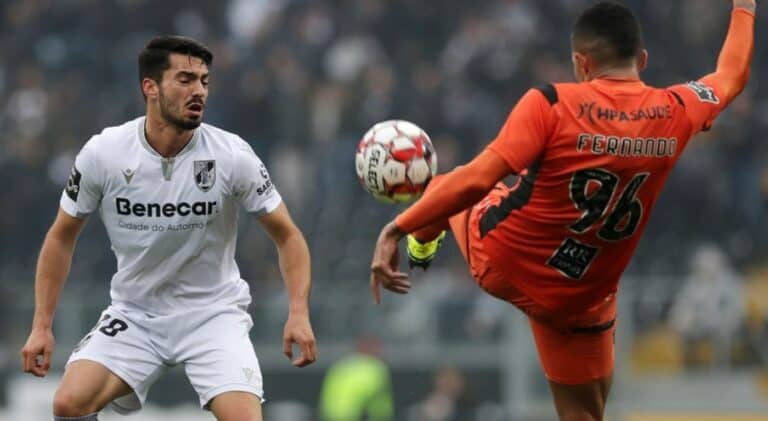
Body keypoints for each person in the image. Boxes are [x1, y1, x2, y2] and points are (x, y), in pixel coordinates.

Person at [370, 1, 755, 420]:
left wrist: (396, 228)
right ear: (642, 60)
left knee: (449, 181)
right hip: (583, 294)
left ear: (580, 63)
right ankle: (423, 242)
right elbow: (731, 75)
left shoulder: (552, 102)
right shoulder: (675, 109)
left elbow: (479, 179)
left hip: (508, 261)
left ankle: (420, 245)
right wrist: (745, 6)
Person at [20, 36, 317, 421]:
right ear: (151, 87)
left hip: (213, 314)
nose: (199, 91)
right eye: (185, 79)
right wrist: (41, 326)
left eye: (204, 81)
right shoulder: (104, 153)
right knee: (68, 403)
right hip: (136, 313)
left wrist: (298, 312)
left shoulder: (232, 155)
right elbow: (61, 236)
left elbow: (288, 235)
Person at [318, 336, 393, 421]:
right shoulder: (376, 367)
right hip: (355, 416)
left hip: (331, 415)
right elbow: (377, 400)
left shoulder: (340, 365)